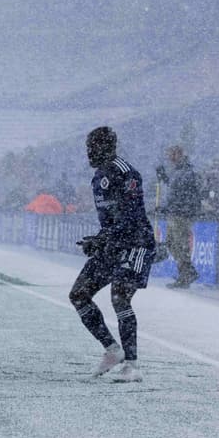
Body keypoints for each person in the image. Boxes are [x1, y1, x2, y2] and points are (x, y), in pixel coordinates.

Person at [70, 126, 156, 383]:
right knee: (79, 295)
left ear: (105, 147)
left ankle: (132, 365)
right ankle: (112, 350)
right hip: (113, 245)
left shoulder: (125, 172)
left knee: (119, 296)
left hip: (135, 244)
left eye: (91, 147)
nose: (88, 153)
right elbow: (111, 221)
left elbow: (131, 216)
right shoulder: (98, 177)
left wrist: (104, 238)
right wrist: (98, 240)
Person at [158, 145, 202, 289]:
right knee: (171, 243)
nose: (170, 158)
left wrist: (171, 206)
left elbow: (182, 193)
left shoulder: (187, 171)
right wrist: (164, 178)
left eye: (172, 154)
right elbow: (174, 189)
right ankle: (188, 271)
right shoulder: (177, 171)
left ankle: (185, 274)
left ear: (179, 154)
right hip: (175, 212)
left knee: (180, 243)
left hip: (182, 213)